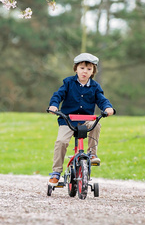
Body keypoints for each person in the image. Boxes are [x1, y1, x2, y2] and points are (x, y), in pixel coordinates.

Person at [47, 52, 115, 185]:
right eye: (82, 68)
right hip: (68, 120)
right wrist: (54, 106)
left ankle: (92, 154)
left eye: (89, 69)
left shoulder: (95, 87)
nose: (85, 72)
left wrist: (107, 108)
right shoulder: (68, 83)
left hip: (86, 120)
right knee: (61, 141)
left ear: (93, 71)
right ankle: (56, 172)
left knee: (97, 124)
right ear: (76, 69)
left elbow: (102, 100)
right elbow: (58, 95)